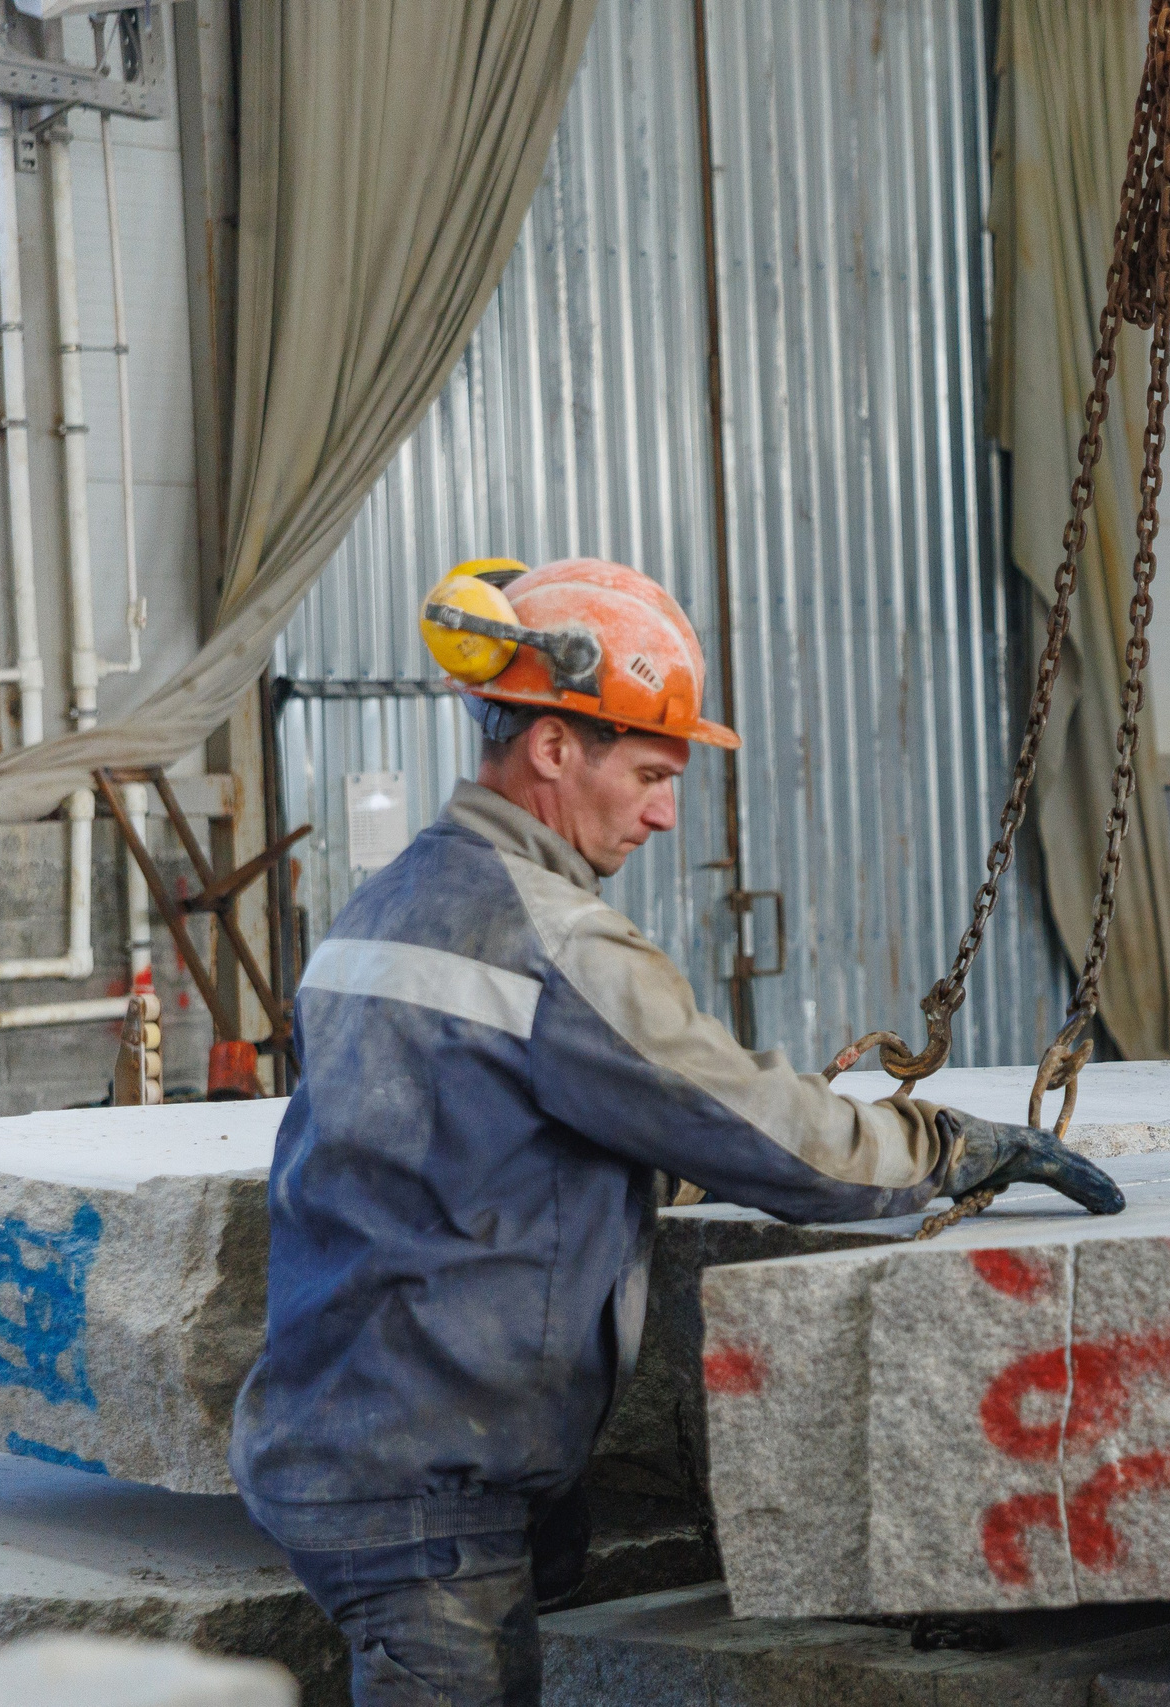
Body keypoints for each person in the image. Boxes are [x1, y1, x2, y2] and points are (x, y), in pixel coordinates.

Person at [230, 557, 1124, 1706]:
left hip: (352, 1435)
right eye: (650, 772)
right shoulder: (554, 940)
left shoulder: (394, 901)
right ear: (554, 748)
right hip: (422, 1487)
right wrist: (950, 1145)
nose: (663, 811)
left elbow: (477, 1140)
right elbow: (772, 1135)